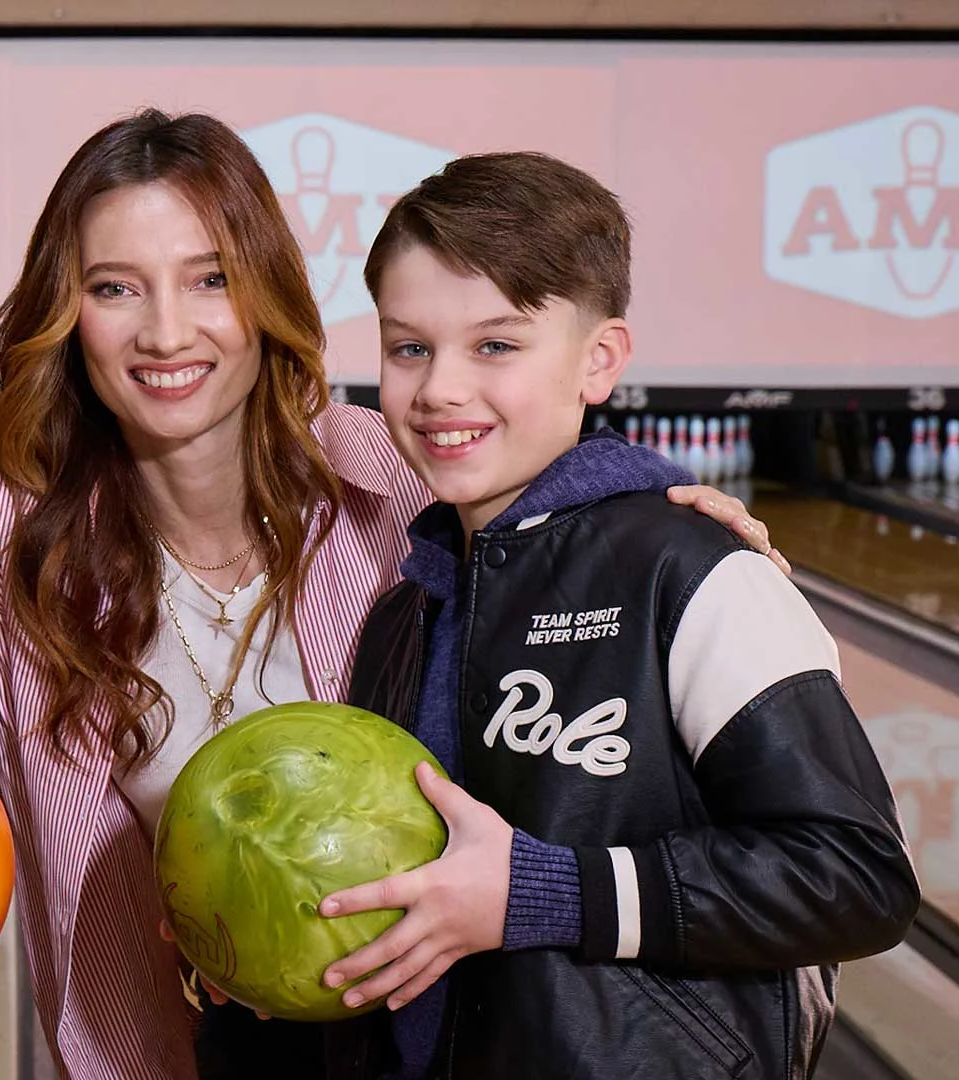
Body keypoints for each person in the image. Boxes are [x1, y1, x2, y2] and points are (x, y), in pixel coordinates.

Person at [0, 110, 783, 1079]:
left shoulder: (398, 469)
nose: (167, 330)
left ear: (263, 290)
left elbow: (569, 545)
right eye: (115, 288)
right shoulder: (18, 524)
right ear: (71, 309)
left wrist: (686, 550)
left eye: (210, 278)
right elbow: (70, 882)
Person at [313, 151, 919, 1079]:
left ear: (601, 361)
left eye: (496, 345)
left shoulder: (693, 571)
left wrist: (553, 894)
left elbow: (858, 874)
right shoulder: (404, 613)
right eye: (408, 347)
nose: (439, 388)